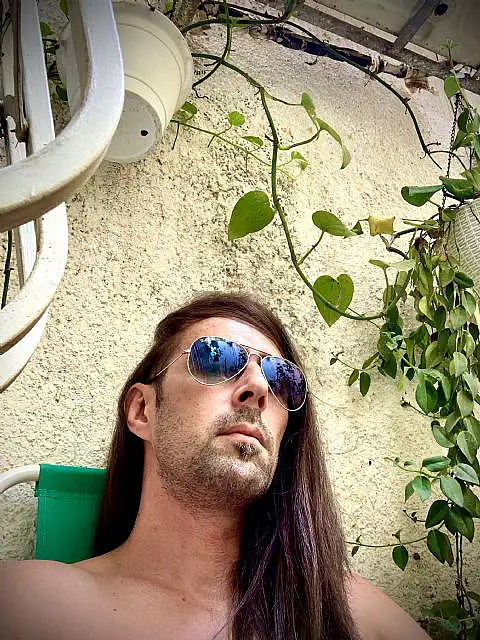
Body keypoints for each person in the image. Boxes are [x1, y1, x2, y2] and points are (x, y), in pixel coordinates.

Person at [0, 292, 431, 640]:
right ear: (143, 411)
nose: (258, 387)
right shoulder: (31, 605)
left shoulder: (351, 612)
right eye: (216, 357)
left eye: (281, 378)